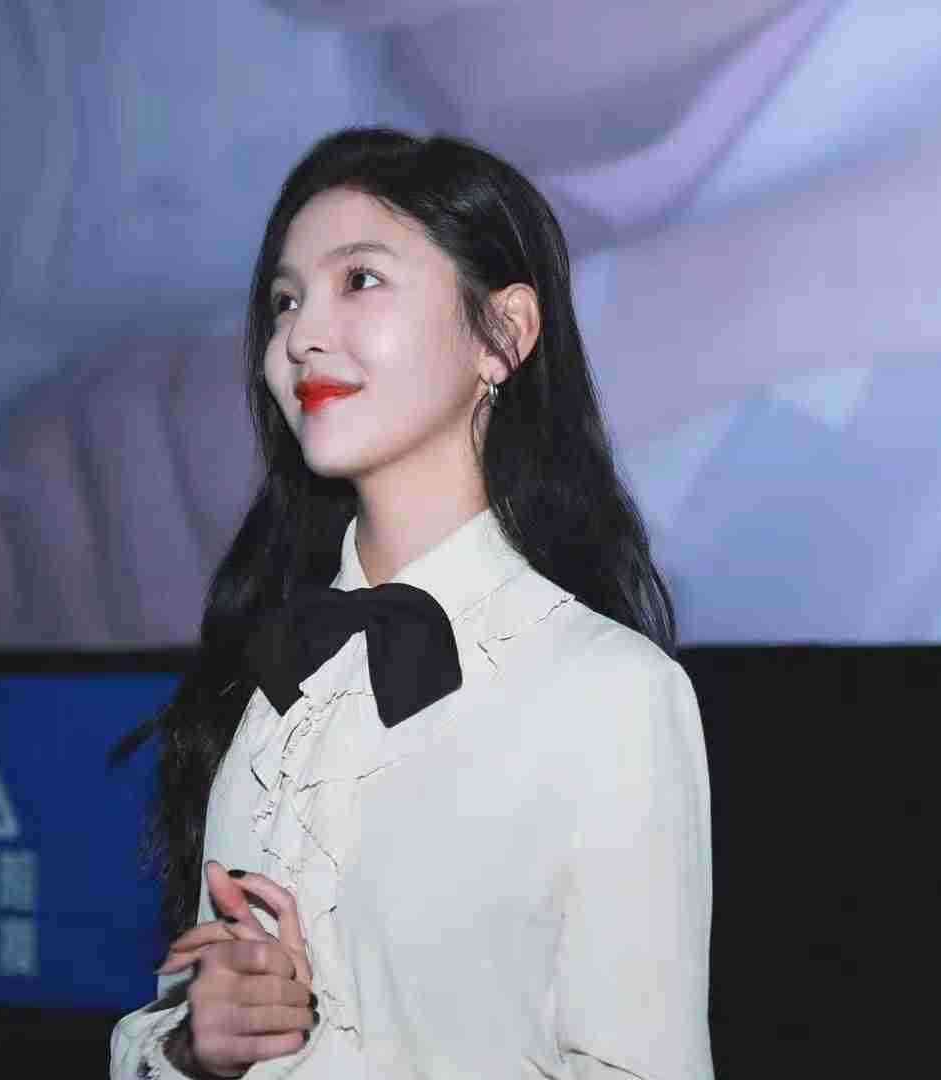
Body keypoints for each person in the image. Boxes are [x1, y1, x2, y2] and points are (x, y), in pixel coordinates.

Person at [109, 129, 714, 1078]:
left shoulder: (610, 692)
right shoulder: (271, 683)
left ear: (504, 333)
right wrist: (195, 1045)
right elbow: (195, 1021)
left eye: (360, 280)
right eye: (284, 301)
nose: (300, 335)